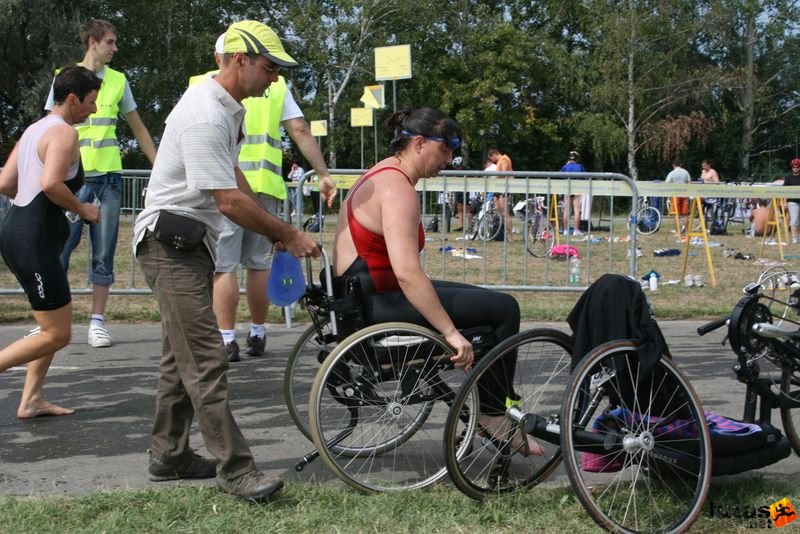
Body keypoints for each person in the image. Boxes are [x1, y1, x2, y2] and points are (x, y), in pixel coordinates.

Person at [133, 20, 321, 502]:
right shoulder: (204, 112)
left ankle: (168, 455)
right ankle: (236, 470)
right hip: (168, 245)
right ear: (240, 60)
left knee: (181, 358)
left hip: (189, 245)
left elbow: (232, 177)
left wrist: (274, 231)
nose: (275, 78)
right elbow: (228, 201)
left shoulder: (226, 107)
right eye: (269, 66)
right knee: (207, 357)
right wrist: (288, 233)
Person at [332, 108, 541, 455]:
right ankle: (493, 417)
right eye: (445, 150)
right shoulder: (398, 190)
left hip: (365, 294)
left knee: (489, 299)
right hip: (380, 301)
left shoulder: (381, 172)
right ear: (418, 143)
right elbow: (407, 273)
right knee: (504, 309)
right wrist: (450, 332)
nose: (450, 159)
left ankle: (492, 409)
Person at [189, 33, 335, 361]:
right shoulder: (277, 88)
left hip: (223, 184)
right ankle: (257, 331)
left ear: (219, 57)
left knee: (223, 267)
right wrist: (324, 174)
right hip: (265, 186)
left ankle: (226, 338)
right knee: (257, 264)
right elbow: (300, 130)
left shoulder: (200, 85)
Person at [41, 19, 157, 348]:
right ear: (93, 42)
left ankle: (96, 323)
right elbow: (49, 125)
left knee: (104, 255)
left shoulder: (119, 81)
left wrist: (160, 167)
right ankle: (50, 319)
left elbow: (139, 129)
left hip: (108, 179)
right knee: (59, 251)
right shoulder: (64, 78)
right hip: (71, 179)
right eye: (110, 42)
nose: (115, 48)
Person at [0, 66, 102, 418]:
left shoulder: (33, 130)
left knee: (49, 326)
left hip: (16, 233)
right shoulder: (63, 134)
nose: (95, 109)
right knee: (58, 334)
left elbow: (6, 182)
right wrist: (83, 209)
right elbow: (51, 184)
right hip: (35, 243)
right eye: (91, 102)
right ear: (72, 98)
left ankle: (30, 400)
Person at [487, 148, 514, 240]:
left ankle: (510, 235)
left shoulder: (504, 159)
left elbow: (503, 173)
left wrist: (494, 178)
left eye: (491, 158)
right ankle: (499, 233)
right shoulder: (500, 161)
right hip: (498, 188)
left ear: (494, 154)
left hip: (504, 188)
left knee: (505, 212)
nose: (492, 161)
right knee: (498, 212)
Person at [560, 150, 586, 235]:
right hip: (577, 188)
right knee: (576, 210)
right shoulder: (579, 166)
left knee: (566, 210)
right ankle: (576, 230)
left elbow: (559, 175)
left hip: (567, 188)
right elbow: (585, 176)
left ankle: (565, 230)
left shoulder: (565, 166)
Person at [665, 159, 691, 232]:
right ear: (681, 164)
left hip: (675, 195)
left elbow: (667, 183)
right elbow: (689, 183)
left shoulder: (672, 173)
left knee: (676, 215)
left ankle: (678, 231)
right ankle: (687, 231)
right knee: (685, 214)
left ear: (673, 165)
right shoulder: (686, 172)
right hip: (685, 194)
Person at [783, 158, 800, 244]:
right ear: (792, 167)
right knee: (794, 220)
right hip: (792, 201)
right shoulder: (788, 177)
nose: (795, 168)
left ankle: (798, 237)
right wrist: (785, 202)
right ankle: (794, 238)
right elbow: (785, 190)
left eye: (797, 166)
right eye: (794, 167)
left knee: (798, 220)